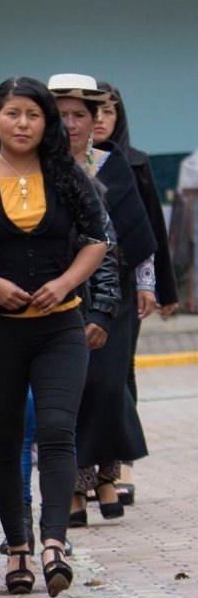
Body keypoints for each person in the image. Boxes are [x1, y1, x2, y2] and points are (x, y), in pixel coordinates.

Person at [0, 77, 110, 597]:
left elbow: (98, 240)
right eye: (13, 114)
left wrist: (65, 283)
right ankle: (17, 548)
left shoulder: (65, 174)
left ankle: (54, 543)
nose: (23, 124)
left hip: (60, 327)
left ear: (46, 122)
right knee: (6, 441)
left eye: (34, 114)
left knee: (57, 430)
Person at [46, 74, 155, 527]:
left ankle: (107, 475)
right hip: (60, 289)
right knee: (74, 388)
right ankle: (77, 484)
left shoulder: (116, 167)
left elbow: (142, 234)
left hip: (116, 294)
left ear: (96, 121)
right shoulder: (39, 170)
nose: (71, 124)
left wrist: (149, 283)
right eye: (62, 116)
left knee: (110, 385)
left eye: (80, 115)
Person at [94, 80, 180, 505]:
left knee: (118, 374)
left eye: (108, 112)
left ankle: (119, 464)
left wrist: (155, 285)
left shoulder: (135, 163)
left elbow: (149, 231)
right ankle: (84, 471)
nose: (98, 121)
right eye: (92, 113)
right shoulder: (62, 164)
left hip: (125, 283)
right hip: (75, 285)